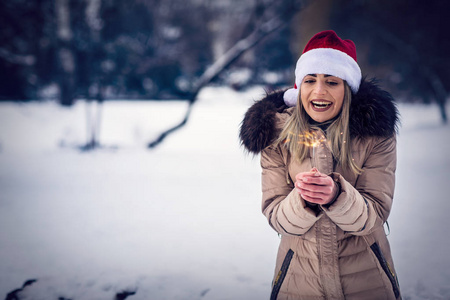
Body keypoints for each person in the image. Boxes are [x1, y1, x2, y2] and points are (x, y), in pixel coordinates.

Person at [239, 30, 401, 300]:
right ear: (298, 86)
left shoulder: (376, 134)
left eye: (332, 82)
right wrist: (303, 200)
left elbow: (375, 213)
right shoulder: (276, 135)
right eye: (310, 80)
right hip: (299, 281)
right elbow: (277, 217)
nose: (319, 91)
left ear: (347, 88)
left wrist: (337, 195)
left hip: (366, 280)